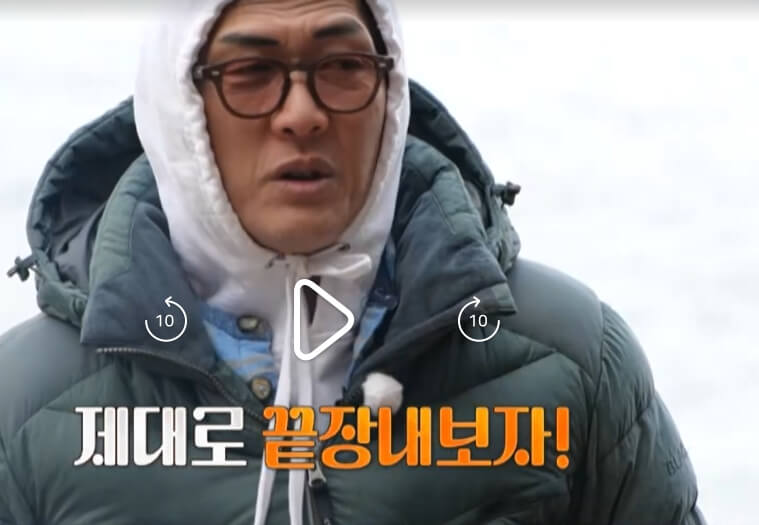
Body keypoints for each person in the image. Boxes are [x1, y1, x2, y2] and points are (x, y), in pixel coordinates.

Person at [0, 0, 706, 524]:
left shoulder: (571, 358)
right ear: (178, 105)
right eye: (250, 72)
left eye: (343, 66)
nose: (301, 113)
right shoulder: (27, 406)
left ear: (389, 94)